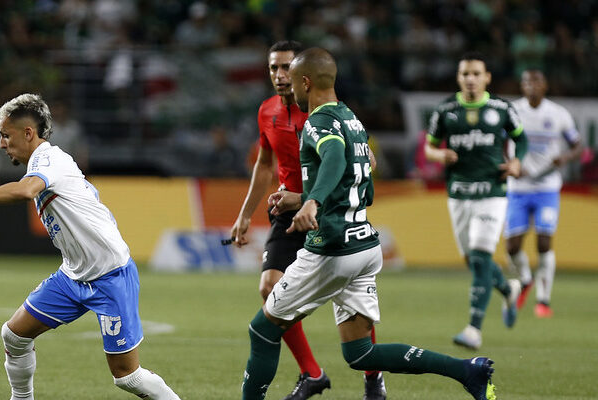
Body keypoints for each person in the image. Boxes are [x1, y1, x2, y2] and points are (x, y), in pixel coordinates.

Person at [240, 47, 497, 400]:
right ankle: (467, 370)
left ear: (305, 81)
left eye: (293, 80)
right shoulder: (353, 120)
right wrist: (301, 198)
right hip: (364, 246)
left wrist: (312, 200)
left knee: (262, 331)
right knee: (360, 353)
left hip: (332, 250)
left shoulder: (318, 121)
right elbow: (362, 186)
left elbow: (330, 157)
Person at [0, 93, 180, 400]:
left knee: (127, 377)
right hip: (73, 276)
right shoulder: (46, 163)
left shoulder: (50, 159)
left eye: (6, 135)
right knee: (15, 335)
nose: (2, 143)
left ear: (28, 133)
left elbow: (24, 190)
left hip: (110, 276)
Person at [230, 40, 385, 400]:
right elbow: (264, 164)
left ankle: (373, 377)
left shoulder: (321, 111)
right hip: (288, 213)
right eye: (273, 68)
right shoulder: (266, 111)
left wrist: (312, 198)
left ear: (302, 75)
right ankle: (312, 373)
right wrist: (244, 213)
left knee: (348, 301)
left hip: (326, 211)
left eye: (286, 67)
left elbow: (368, 163)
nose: (280, 75)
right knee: (270, 287)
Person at [424, 52, 527, 350]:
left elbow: (521, 139)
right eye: (465, 74)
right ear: (459, 78)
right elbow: (429, 147)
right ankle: (509, 289)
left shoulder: (501, 108)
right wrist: (439, 155)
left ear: (487, 77)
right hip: (459, 193)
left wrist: (517, 162)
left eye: (476, 73)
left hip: (492, 192)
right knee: (473, 261)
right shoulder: (446, 110)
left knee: (481, 259)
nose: (470, 79)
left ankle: (473, 329)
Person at [505, 69, 583, 318]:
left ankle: (543, 300)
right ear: (522, 86)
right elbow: (498, 141)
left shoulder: (558, 114)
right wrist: (510, 164)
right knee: (512, 247)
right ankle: (526, 279)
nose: (532, 86)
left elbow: (577, 145)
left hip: (547, 186)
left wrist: (566, 157)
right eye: (527, 81)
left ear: (545, 85)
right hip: (518, 186)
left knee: (544, 241)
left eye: (536, 81)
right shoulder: (513, 111)